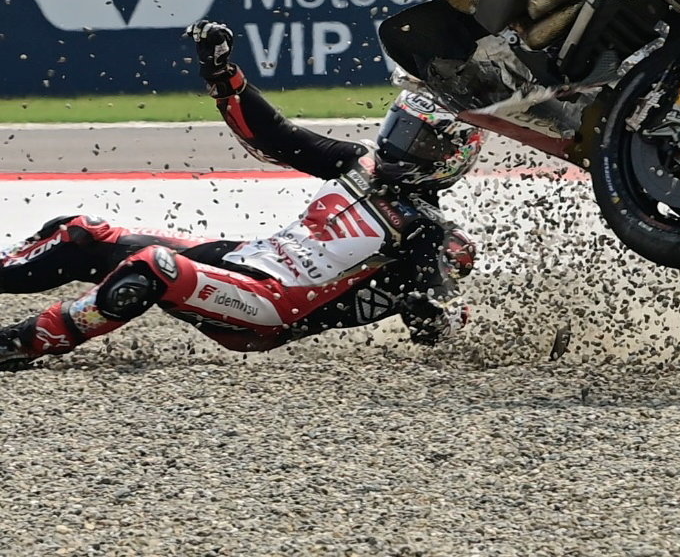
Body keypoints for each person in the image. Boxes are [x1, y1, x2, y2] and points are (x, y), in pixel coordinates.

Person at [0, 21, 482, 371]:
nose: (400, 144)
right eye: (400, 129)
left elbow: (432, 319)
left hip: (269, 306)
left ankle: (23, 343)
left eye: (420, 140)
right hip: (244, 259)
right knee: (82, 234)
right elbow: (276, 136)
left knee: (150, 268)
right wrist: (223, 75)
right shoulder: (358, 163)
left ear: (453, 157)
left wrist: (434, 297)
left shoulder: (427, 231)